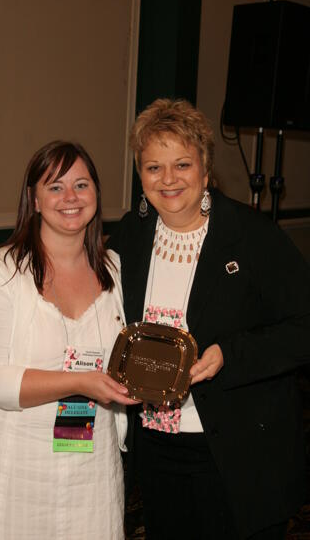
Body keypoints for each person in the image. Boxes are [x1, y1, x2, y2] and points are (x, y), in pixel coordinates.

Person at [108, 98, 310, 539]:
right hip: (158, 447)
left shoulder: (252, 237)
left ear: (205, 167)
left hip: (238, 448)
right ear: (140, 175)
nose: (168, 180)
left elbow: (303, 326)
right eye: (153, 168)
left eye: (181, 164)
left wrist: (229, 355)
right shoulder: (130, 236)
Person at [0, 140, 138, 539]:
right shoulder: (0, 272)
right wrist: (78, 382)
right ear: (34, 200)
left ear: (97, 196)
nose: (70, 197)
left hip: (88, 461)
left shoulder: (114, 268)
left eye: (82, 185)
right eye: (55, 186)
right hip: (5, 462)